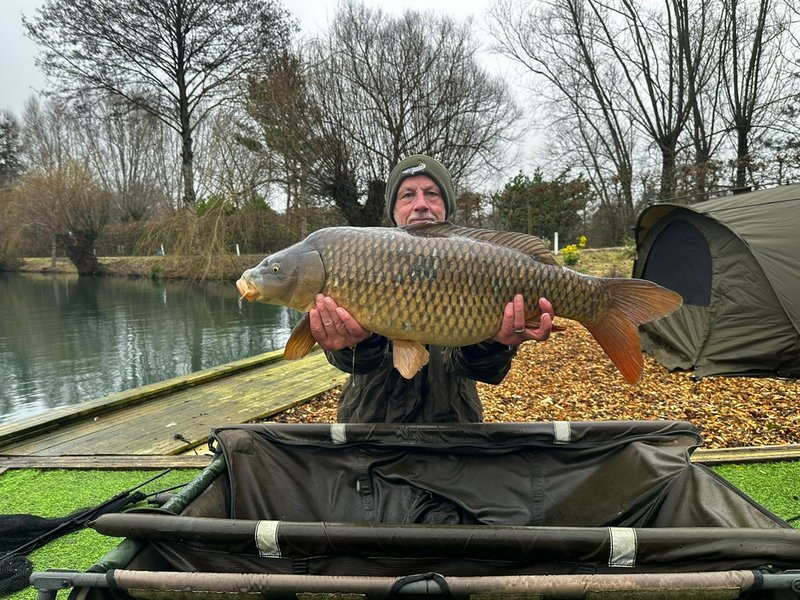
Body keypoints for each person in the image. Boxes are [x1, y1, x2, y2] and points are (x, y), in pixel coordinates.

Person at [309, 154, 555, 423]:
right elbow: (354, 364)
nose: (421, 205)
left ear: (446, 209)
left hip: (453, 427)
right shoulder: (358, 262)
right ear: (393, 212)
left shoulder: (480, 262)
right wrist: (353, 346)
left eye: (431, 194)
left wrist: (493, 345)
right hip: (370, 426)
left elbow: (485, 371)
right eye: (407, 195)